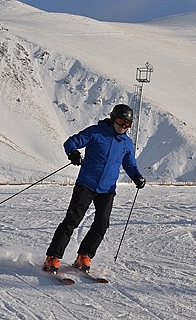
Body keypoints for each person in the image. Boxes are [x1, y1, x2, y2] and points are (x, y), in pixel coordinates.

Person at [44, 104, 146, 274]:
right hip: (86, 184)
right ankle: (53, 257)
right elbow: (71, 142)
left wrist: (136, 176)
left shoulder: (126, 143)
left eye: (128, 124)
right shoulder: (96, 132)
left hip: (107, 189)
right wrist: (73, 153)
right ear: (113, 118)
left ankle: (84, 255)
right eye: (121, 121)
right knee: (72, 221)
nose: (123, 127)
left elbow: (130, 164)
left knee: (102, 224)